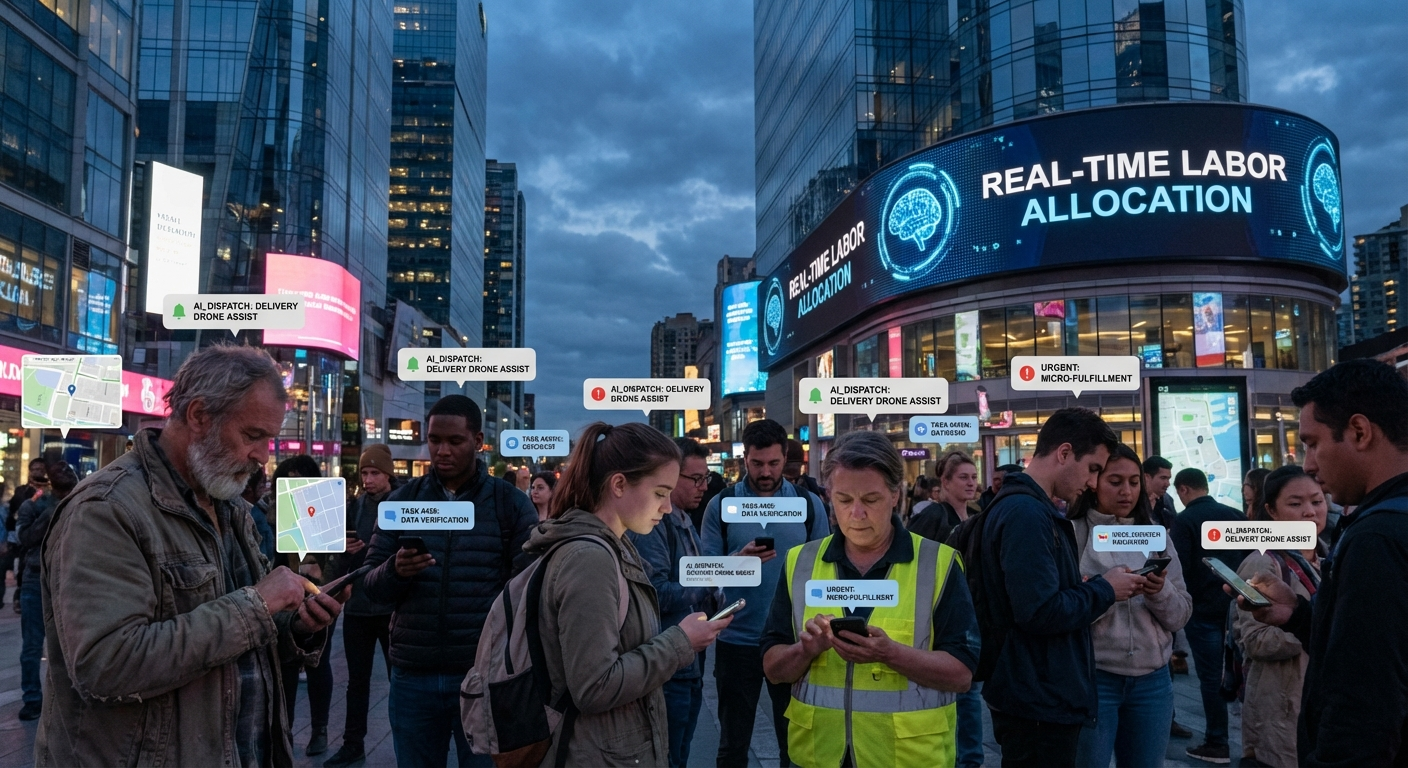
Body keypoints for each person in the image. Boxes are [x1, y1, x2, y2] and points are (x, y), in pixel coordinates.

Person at [35, 344, 344, 766]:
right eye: (253, 436)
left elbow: (240, 644)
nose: (263, 457)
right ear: (199, 416)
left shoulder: (230, 505)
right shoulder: (106, 509)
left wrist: (297, 625)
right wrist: (257, 604)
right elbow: (106, 665)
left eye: (269, 440)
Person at [762, 430, 979, 766]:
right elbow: (773, 668)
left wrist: (889, 653)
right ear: (829, 496)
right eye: (844, 500)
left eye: (871, 500)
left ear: (895, 495)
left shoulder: (938, 564)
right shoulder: (800, 562)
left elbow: (962, 675)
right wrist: (806, 650)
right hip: (818, 757)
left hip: (908, 759)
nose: (856, 513)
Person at [1233, 360, 1408, 766]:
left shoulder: (1376, 539)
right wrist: (1300, 616)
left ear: (1359, 432)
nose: (1309, 464)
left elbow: (1363, 705)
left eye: (1312, 443)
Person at [529, 423, 731, 765]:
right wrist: (681, 641)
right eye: (660, 493)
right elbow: (594, 686)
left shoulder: (614, 546)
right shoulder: (590, 559)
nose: (667, 508)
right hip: (593, 753)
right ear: (619, 484)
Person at [362, 395, 538, 768]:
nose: (442, 451)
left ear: (478, 441)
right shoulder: (402, 501)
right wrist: (396, 569)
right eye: (434, 440)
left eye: (455, 441)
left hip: (482, 675)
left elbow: (528, 591)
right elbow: (371, 585)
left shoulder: (509, 504)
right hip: (413, 676)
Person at [978, 408, 1145, 768]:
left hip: (1036, 692)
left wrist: (1080, 587)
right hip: (1038, 698)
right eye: (1093, 469)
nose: (1092, 482)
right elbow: (1039, 611)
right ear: (1065, 453)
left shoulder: (1028, 508)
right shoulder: (1027, 513)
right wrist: (1105, 590)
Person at [702, 419, 827, 768]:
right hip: (737, 640)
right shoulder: (721, 505)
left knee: (795, 747)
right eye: (757, 463)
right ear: (745, 458)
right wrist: (738, 561)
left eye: (773, 463)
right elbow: (704, 573)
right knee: (732, 747)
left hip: (791, 641)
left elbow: (825, 568)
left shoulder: (809, 504)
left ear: (785, 457)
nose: (766, 472)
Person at [1069, 445, 1192, 768]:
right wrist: (1105, 592)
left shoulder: (1155, 534)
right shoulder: (1072, 533)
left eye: (1134, 482)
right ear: (1094, 482)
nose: (1126, 491)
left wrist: (1159, 591)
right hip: (1093, 678)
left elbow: (1180, 614)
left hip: (1153, 680)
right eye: (1115, 481)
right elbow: (1059, 611)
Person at [626, 437, 718, 768]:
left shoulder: (683, 519)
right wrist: (715, 578)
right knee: (668, 756)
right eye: (696, 478)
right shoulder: (654, 525)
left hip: (688, 660)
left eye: (706, 478)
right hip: (668, 663)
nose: (703, 487)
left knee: (679, 753)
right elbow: (657, 593)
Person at [1232, 465, 1326, 768]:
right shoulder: (1263, 564)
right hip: (1281, 707)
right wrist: (1319, 627)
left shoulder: (1331, 558)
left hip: (1323, 702)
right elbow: (1255, 640)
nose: (1310, 511)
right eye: (1295, 503)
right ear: (1271, 511)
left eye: (1317, 501)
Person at [323, 444, 400, 768]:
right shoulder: (353, 507)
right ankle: (352, 744)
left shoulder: (401, 505)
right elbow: (338, 560)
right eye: (364, 473)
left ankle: (406, 744)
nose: (368, 479)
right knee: (357, 682)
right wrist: (345, 550)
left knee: (400, 681)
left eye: (374, 473)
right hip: (357, 608)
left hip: (391, 608)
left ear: (388, 474)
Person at [1169, 467, 1247, 764]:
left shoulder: (1185, 520)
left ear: (1183, 490)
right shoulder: (1235, 515)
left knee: (1211, 677)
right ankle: (1249, 742)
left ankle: (1217, 741)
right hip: (1236, 607)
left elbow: (1180, 567)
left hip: (1202, 609)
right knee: (1242, 672)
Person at [14, 458, 77, 720]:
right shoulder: (34, 505)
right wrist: (53, 512)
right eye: (59, 469)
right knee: (32, 646)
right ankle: (32, 698)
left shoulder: (80, 501)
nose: (65, 470)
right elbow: (24, 538)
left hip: (69, 580)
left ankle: (67, 699)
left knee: (69, 647)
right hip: (36, 579)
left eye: (68, 468)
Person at [908, 450, 979, 546]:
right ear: (946, 482)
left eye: (974, 477)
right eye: (963, 477)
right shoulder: (933, 515)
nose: (971, 483)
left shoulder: (975, 516)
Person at [6, 458, 47, 611]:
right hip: (25, 536)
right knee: (23, 568)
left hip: (43, 537)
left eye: (40, 469)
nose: (37, 472)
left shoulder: (50, 491)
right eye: (35, 469)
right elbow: (14, 513)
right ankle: (19, 597)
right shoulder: (22, 491)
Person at [242, 465, 277, 562]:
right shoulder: (252, 515)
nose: (264, 488)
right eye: (261, 484)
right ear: (249, 487)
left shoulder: (258, 508)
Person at [1141, 456, 1178, 529]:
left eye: (1168, 479)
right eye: (1163, 478)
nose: (1168, 484)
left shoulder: (1167, 499)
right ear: (1146, 477)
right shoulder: (1132, 500)